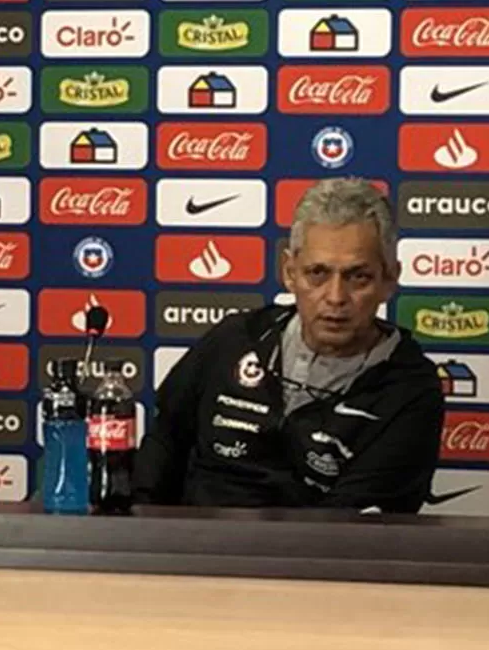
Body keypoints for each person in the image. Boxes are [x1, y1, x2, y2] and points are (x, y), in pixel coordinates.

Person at [133, 177, 444, 512]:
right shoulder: (233, 339)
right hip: (188, 552)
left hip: (311, 560)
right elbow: (165, 438)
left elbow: (353, 533)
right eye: (317, 273)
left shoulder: (411, 391)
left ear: (389, 280)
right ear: (289, 272)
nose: (336, 297)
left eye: (358, 277)